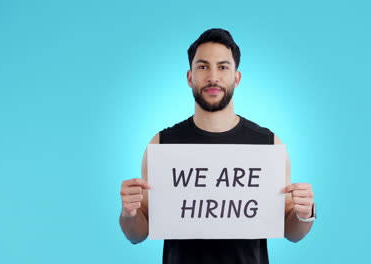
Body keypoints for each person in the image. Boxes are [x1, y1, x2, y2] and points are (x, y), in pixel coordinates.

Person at [119, 28, 315, 264]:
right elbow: (138, 233)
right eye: (203, 66)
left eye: (223, 67)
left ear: (236, 77)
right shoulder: (162, 144)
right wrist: (129, 213)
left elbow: (290, 231)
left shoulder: (268, 145)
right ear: (190, 77)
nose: (213, 76)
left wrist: (305, 215)